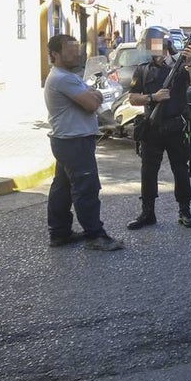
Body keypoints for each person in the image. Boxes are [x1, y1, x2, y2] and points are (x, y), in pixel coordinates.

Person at [43, 34, 123, 251]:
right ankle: (95, 236)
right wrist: (94, 95)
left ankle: (59, 233)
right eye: (70, 52)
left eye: (77, 50)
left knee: (62, 188)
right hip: (74, 142)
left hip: (67, 141)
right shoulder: (63, 78)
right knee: (86, 188)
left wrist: (92, 93)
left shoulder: (66, 75)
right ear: (55, 54)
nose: (76, 54)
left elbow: (91, 95)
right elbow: (91, 103)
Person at [126, 25, 191, 230]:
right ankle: (148, 212)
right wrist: (153, 97)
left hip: (175, 127)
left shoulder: (180, 68)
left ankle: (184, 211)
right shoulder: (143, 69)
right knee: (148, 171)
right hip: (151, 127)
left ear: (167, 44)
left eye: (157, 44)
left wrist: (190, 64)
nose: (153, 48)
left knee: (180, 169)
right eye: (150, 45)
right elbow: (133, 98)